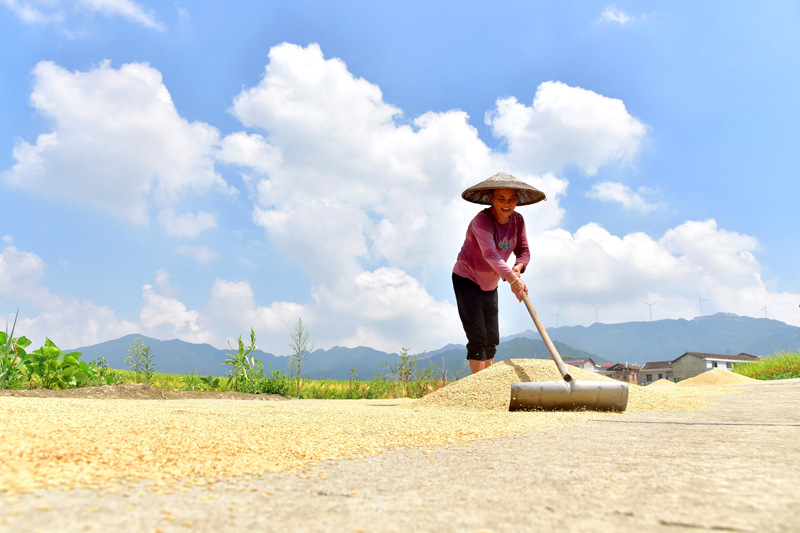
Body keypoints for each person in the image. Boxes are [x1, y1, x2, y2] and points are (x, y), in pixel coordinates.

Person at [452, 172, 546, 374]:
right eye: (501, 198)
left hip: (491, 282)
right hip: (467, 278)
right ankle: (479, 386)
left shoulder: (518, 221)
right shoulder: (482, 221)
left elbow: (524, 251)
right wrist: (512, 280)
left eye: (512, 198)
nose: (507, 203)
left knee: (492, 336)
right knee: (478, 335)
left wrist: (518, 267)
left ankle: (490, 383)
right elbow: (490, 254)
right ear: (491, 199)